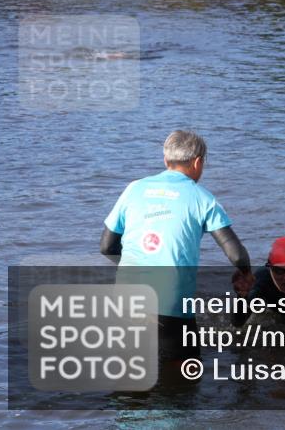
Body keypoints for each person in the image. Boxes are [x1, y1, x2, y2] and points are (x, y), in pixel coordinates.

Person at [99, 130, 253, 363]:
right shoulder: (203, 198)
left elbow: (107, 247)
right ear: (198, 162)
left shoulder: (133, 188)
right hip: (171, 303)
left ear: (165, 160)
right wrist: (245, 274)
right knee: (182, 380)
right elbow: (236, 254)